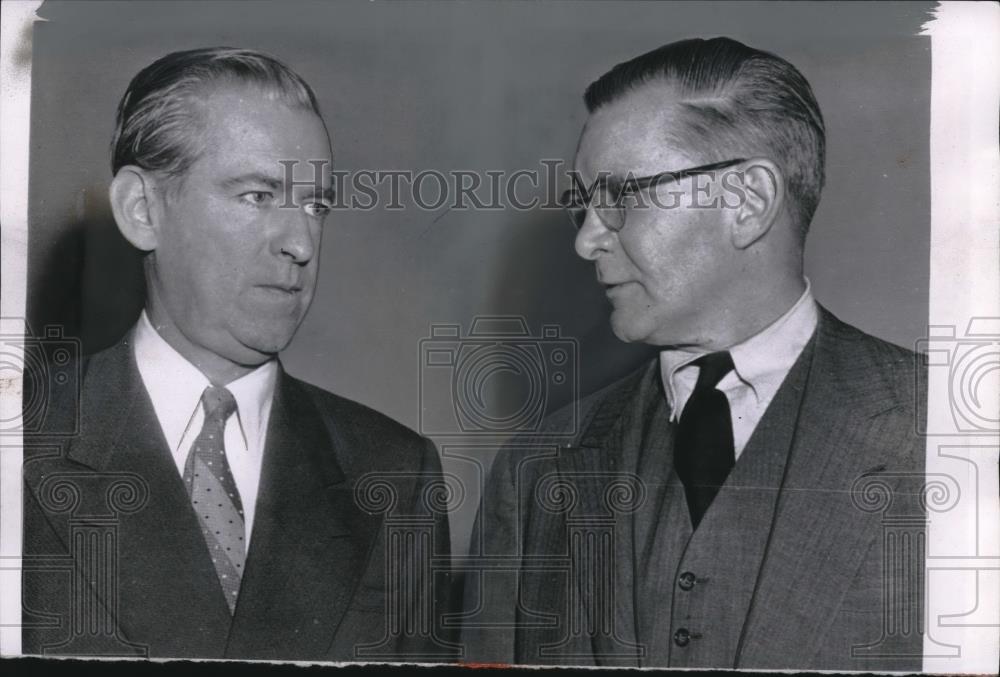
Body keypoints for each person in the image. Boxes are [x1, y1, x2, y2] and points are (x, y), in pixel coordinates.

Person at [462, 37, 925, 671]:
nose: (587, 241)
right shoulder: (532, 472)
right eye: (585, 206)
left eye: (620, 197)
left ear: (748, 202)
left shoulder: (954, 434)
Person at [22, 47, 455, 661]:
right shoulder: (21, 439)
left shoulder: (395, 474)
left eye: (316, 205)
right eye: (257, 195)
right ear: (142, 210)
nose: (302, 243)